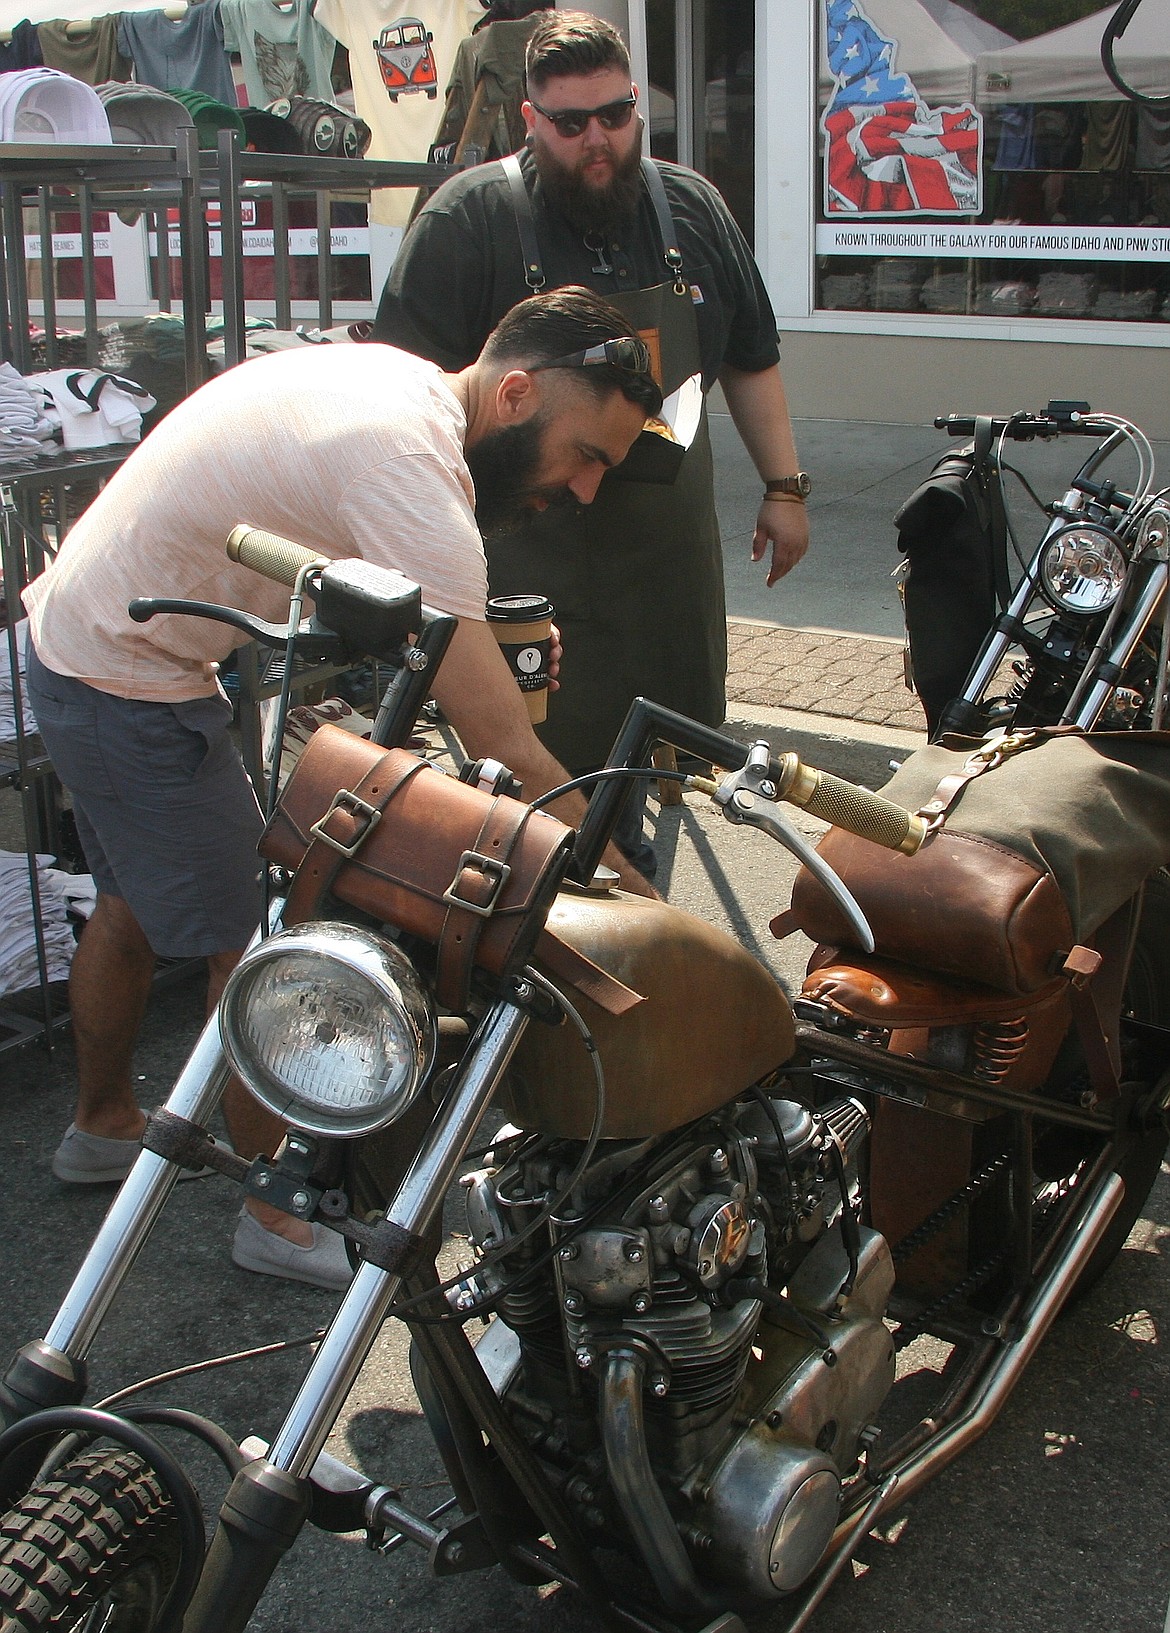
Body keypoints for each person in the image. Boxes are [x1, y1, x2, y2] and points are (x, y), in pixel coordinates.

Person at [23, 285, 662, 1291]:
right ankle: (277, 1216)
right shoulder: (409, 462)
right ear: (517, 394)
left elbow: (404, 590)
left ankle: (103, 1126)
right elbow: (501, 739)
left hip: (84, 645)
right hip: (130, 678)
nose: (585, 489)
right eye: (586, 454)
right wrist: (622, 879)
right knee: (267, 954)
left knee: (131, 902)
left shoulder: (406, 388)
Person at [373, 9, 810, 879]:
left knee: (653, 753)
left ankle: (631, 904)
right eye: (571, 124)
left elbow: (752, 356)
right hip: (531, 563)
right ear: (530, 119)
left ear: (636, 106)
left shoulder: (692, 207)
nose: (597, 140)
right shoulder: (468, 221)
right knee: (538, 796)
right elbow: (401, 394)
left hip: (665, 568)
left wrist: (785, 488)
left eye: (615, 115)